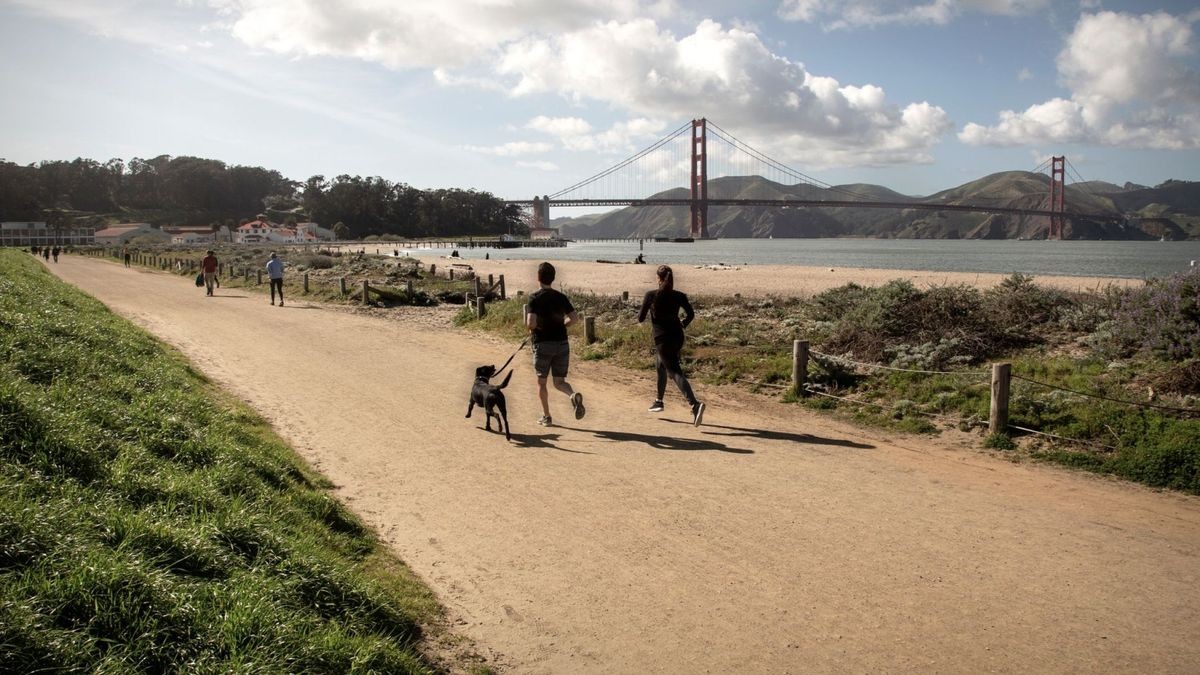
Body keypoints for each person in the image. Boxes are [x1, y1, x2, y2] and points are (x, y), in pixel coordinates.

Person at [638, 265, 705, 426]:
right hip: (677, 336)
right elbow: (691, 314)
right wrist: (684, 322)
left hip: (662, 339)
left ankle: (694, 405)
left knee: (674, 371)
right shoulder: (679, 296)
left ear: (658, 279)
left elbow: (640, 318)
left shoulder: (651, 295)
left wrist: (647, 311)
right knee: (661, 365)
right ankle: (658, 401)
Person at [525, 262, 585, 426]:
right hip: (562, 344)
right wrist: (562, 324)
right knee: (559, 381)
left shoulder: (534, 298)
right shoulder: (561, 297)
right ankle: (572, 395)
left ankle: (547, 416)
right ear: (553, 278)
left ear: (538, 277)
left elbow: (530, 323)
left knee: (542, 382)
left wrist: (534, 329)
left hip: (543, 343)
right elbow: (575, 318)